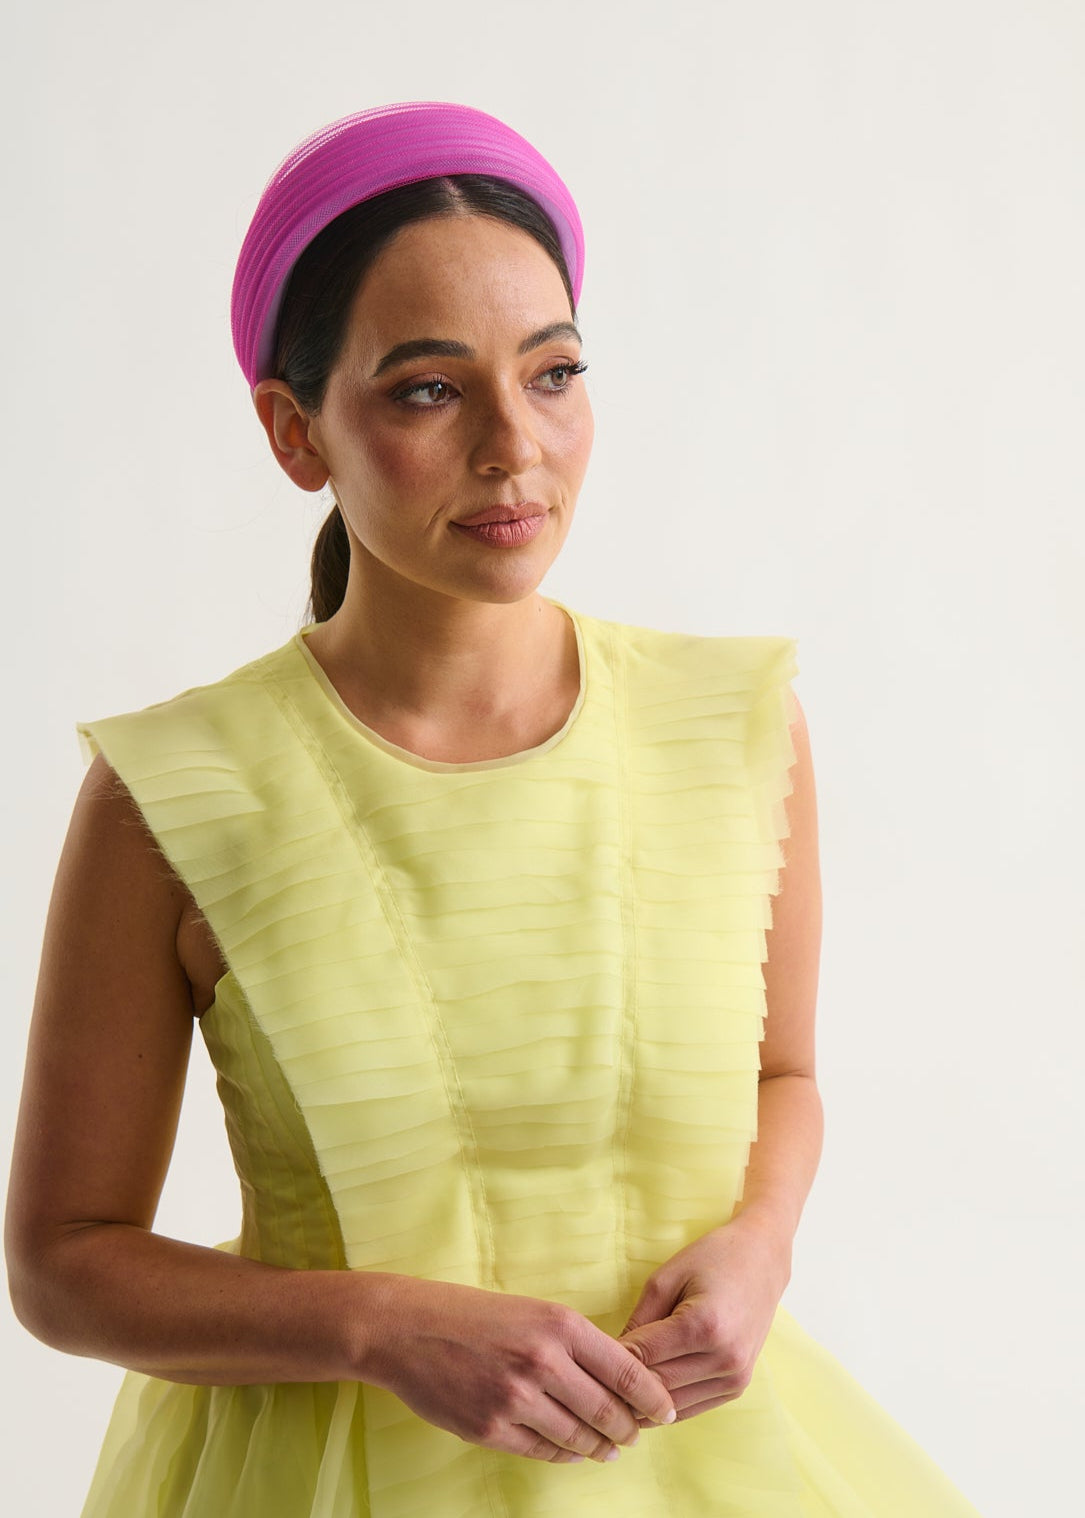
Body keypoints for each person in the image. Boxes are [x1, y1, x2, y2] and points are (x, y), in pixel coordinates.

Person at [5, 102, 981, 1517]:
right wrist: (373, 1324)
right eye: (424, 390)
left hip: (699, 1461)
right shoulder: (175, 794)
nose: (514, 446)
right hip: (318, 1479)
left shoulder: (736, 727)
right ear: (294, 433)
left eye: (555, 372)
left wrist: (760, 1242)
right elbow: (63, 1258)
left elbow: (781, 1076)